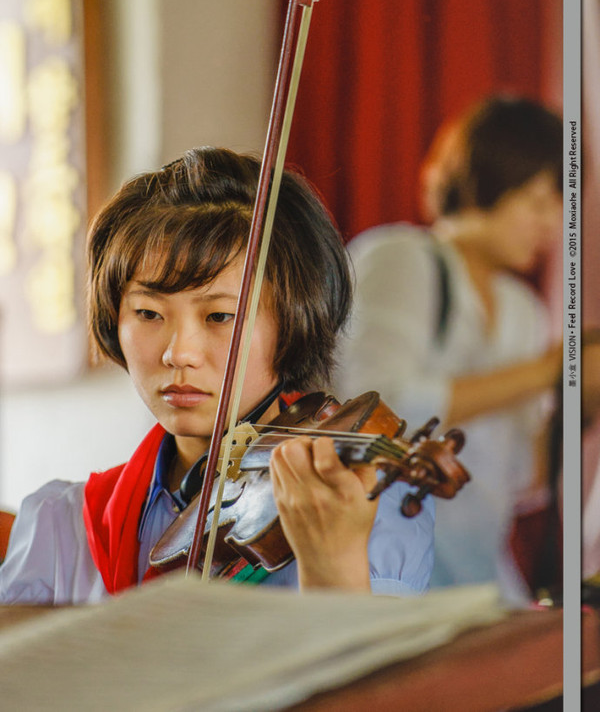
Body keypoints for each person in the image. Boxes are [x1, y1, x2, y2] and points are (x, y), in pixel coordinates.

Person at [0, 147, 434, 604]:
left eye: (220, 317)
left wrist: (334, 564)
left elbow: (375, 676)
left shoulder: (363, 498)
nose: (178, 353)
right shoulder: (61, 524)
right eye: (148, 313)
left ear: (295, 319)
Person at [333, 95, 563, 602]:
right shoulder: (402, 257)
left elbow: (519, 474)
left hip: (478, 575)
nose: (554, 223)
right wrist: (545, 371)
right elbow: (372, 409)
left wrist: (578, 404)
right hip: (382, 570)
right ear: (488, 179)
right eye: (539, 200)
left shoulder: (524, 309)